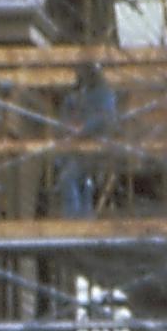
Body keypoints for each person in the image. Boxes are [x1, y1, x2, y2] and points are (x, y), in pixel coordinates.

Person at [54, 60, 118, 216]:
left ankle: (76, 219)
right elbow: (65, 120)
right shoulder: (74, 96)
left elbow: (104, 117)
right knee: (78, 181)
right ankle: (81, 217)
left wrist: (84, 128)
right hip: (74, 150)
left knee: (71, 179)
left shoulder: (104, 95)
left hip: (95, 148)